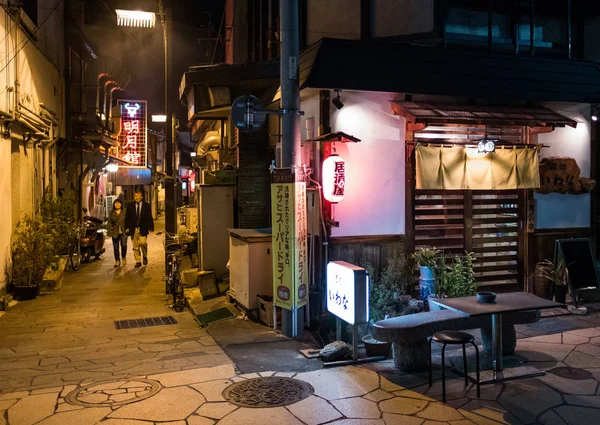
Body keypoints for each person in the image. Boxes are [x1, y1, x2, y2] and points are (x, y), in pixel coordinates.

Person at [125, 190, 154, 267]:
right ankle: (138, 261)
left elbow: (149, 217)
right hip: (133, 228)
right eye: (135, 196)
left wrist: (151, 227)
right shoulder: (130, 206)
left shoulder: (147, 206)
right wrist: (127, 227)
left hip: (143, 228)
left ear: (142, 197)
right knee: (135, 246)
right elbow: (127, 217)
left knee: (143, 242)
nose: (136, 197)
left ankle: (144, 256)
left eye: (138, 196)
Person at [107, 199, 127, 267]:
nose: (117, 204)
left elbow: (128, 220)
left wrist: (128, 229)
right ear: (114, 204)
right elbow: (109, 222)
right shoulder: (112, 212)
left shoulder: (124, 212)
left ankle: (123, 257)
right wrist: (110, 231)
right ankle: (117, 260)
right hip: (115, 232)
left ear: (121, 204)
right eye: (116, 203)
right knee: (115, 247)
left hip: (123, 232)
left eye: (118, 203)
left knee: (124, 245)